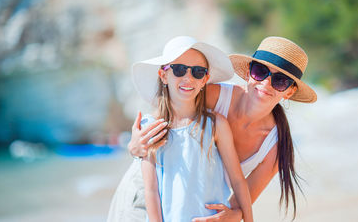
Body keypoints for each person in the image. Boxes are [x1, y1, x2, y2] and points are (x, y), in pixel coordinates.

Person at [123, 36, 317, 221]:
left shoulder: (275, 145)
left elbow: (242, 197)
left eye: (280, 80)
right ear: (249, 73)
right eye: (260, 71)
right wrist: (134, 147)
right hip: (146, 190)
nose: (266, 83)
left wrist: (235, 216)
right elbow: (166, 113)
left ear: (290, 91)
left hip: (195, 207)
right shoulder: (211, 94)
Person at [107, 36, 253, 222]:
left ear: (205, 80)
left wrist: (247, 218)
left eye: (198, 72)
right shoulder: (151, 128)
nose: (188, 78)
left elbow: (238, 180)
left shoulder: (216, 125)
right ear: (164, 75)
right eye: (179, 69)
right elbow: (151, 190)